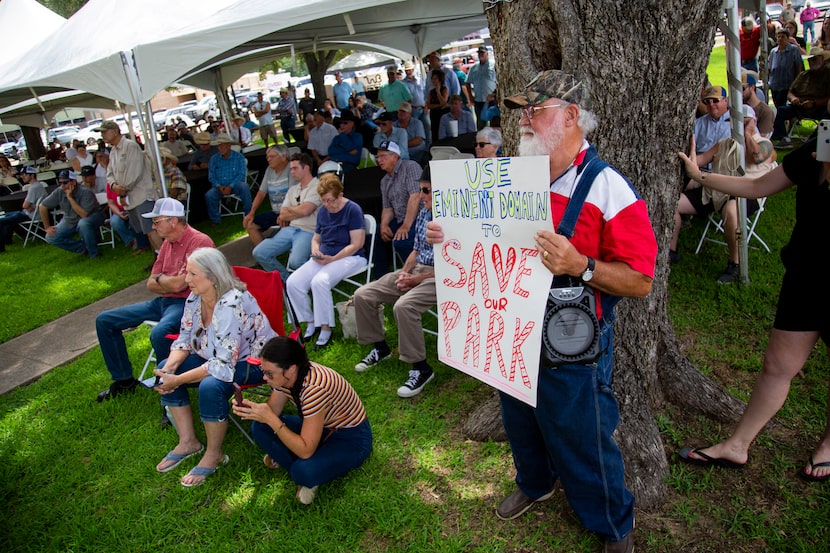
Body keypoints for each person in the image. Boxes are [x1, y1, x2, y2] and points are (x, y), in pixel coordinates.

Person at [426, 70, 657, 552]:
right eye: (523, 112)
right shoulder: (509, 177)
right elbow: (482, 239)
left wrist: (583, 265)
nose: (525, 121)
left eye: (537, 110)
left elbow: (641, 279)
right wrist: (449, 237)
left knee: (581, 432)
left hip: (571, 333)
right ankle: (535, 483)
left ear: (572, 116)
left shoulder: (606, 186)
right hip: (510, 326)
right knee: (518, 416)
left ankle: (613, 524)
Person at [676, 132, 830, 484]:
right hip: (806, 276)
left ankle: (828, 446)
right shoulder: (816, 149)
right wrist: (700, 176)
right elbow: (758, 186)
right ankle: (737, 444)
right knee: (777, 364)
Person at [152, 247, 276, 487]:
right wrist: (170, 368)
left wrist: (177, 380)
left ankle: (214, 454)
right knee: (167, 367)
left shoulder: (231, 303)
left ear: (213, 276)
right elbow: (185, 338)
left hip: (254, 361)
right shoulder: (195, 297)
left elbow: (223, 364)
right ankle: (188, 441)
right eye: (187, 273)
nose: (186, 280)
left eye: (193, 274)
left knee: (210, 385)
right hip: (213, 355)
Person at [95, 198, 214, 403]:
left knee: (160, 333)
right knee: (105, 320)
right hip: (163, 302)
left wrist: (164, 280)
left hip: (188, 304)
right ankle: (124, 381)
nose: (152, 226)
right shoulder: (167, 243)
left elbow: (180, 286)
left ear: (173, 221)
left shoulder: (199, 242)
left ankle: (169, 392)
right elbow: (151, 283)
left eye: (157, 221)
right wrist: (168, 280)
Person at [232, 336, 372, 504]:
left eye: (269, 373)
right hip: (321, 428)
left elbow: (305, 450)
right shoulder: (288, 376)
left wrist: (270, 418)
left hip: (351, 438)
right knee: (260, 426)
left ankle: (305, 471)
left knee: (302, 471)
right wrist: (251, 410)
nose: (265, 378)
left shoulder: (314, 389)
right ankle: (310, 464)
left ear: (290, 369)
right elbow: (273, 410)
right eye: (263, 371)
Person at [353, 165, 436, 398]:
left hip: (443, 276)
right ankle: (380, 348)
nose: (421, 196)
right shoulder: (424, 212)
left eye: (426, 191)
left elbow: (454, 268)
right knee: (363, 294)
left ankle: (421, 368)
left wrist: (415, 280)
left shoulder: (455, 219)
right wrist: (404, 274)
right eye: (421, 190)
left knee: (404, 306)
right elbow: (416, 251)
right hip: (419, 269)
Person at [671, 104, 777, 282]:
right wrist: (691, 152)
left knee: (731, 210)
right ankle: (671, 251)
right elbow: (700, 161)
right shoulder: (724, 143)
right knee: (673, 203)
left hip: (745, 193)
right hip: (716, 191)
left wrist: (748, 134)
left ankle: (734, 262)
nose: (735, 127)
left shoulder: (764, 144)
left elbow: (757, 157)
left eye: (742, 123)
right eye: (733, 123)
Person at [285, 173, 367, 349]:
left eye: (330, 200)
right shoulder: (323, 211)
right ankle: (309, 321)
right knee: (293, 282)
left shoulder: (352, 209)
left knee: (319, 281)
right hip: (325, 256)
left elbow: (357, 243)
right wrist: (315, 249)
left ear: (340, 194)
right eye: (324, 201)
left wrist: (332, 259)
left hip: (351, 257)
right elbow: (316, 238)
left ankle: (325, 327)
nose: (327, 205)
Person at [252, 153, 321, 277]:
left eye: (295, 168)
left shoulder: (318, 187)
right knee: (259, 252)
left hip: (309, 231)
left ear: (306, 168)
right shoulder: (292, 190)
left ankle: (309, 281)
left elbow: (305, 210)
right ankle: (286, 280)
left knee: (296, 262)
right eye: (290, 169)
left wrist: (292, 210)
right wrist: (298, 210)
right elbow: (282, 214)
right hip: (290, 229)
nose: (292, 172)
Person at [99, 119, 161, 253]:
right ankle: (159, 259)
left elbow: (134, 173)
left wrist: (122, 191)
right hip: (130, 198)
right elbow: (109, 174)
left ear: (115, 132)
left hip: (141, 195)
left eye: (105, 132)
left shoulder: (130, 146)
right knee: (145, 231)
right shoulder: (113, 151)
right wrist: (114, 186)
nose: (102, 135)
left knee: (151, 229)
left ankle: (167, 261)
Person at [375, 139, 421, 278]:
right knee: (377, 234)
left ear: (395, 156)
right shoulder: (384, 181)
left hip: (419, 218)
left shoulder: (410, 167)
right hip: (400, 218)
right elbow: (388, 207)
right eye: (378, 157)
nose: (379, 160)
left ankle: (416, 274)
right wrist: (384, 225)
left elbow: (415, 197)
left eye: (383, 156)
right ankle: (380, 277)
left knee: (402, 242)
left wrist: (406, 225)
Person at [39, 170, 106, 259]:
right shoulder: (59, 191)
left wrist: (70, 198)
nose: (62, 186)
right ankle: (84, 248)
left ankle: (94, 254)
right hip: (70, 220)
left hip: (93, 216)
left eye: (65, 183)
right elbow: (42, 206)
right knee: (50, 237)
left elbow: (84, 214)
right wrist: (47, 227)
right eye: (61, 183)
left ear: (73, 182)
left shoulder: (85, 192)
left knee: (83, 223)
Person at [771, 47, 830, 146]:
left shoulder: (827, 74)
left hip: (819, 107)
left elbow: (829, 98)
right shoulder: (804, 75)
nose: (811, 62)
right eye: (810, 59)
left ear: (822, 59)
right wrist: (793, 98)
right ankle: (783, 138)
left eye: (814, 59)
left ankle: (815, 142)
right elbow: (790, 91)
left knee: (827, 117)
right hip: (800, 107)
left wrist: (814, 103)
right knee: (778, 111)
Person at [243, 145, 296, 246]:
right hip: (276, 212)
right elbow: (261, 193)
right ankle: (264, 253)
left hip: (291, 211)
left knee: (286, 224)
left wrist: (284, 214)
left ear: (283, 157)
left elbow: (292, 194)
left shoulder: (292, 169)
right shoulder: (269, 170)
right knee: (251, 224)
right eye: (267, 157)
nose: (268, 159)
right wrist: (251, 212)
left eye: (272, 156)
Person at [205, 133, 253, 225]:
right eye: (219, 146)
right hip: (219, 187)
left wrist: (230, 186)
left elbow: (241, 174)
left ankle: (249, 214)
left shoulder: (239, 157)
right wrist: (219, 186)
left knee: (244, 187)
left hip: (235, 185)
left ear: (229, 145)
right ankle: (215, 220)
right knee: (209, 195)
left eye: (222, 145)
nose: (220, 148)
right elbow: (211, 176)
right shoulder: (214, 159)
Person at [0, 166, 46, 252]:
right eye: (21, 175)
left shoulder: (34, 188)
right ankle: (7, 240)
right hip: (30, 212)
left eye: (24, 174)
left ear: (32, 175)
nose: (22, 177)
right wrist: (29, 206)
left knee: (2, 221)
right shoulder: (38, 185)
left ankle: (1, 248)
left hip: (30, 215)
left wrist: (29, 206)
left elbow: (25, 205)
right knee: (7, 215)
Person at [769, 28, 804, 108]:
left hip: (788, 85)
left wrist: (796, 82)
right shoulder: (773, 52)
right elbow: (770, 67)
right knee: (778, 107)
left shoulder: (793, 50)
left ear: (787, 38)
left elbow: (799, 65)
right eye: (779, 37)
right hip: (775, 85)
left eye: (783, 37)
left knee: (786, 107)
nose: (780, 39)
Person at [465, 45, 498, 130]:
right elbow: (467, 82)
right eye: (479, 53)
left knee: (494, 124)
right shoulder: (474, 68)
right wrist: (470, 97)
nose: (481, 55)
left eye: (482, 53)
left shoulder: (493, 65)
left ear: (487, 53)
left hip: (492, 101)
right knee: (481, 124)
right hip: (479, 101)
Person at [694, 85, 732, 156]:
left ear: (725, 101)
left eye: (715, 101)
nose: (711, 104)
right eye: (707, 102)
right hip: (701, 165)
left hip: (725, 164)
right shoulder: (698, 123)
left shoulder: (736, 122)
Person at [742, 71, 773, 137]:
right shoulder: (736, 107)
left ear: (752, 87)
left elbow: (762, 138)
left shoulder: (765, 111)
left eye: (742, 88)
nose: (739, 92)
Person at [426, 69, 450, 143]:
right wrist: (439, 105)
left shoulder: (445, 89)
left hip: (443, 113)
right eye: (432, 79)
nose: (433, 81)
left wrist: (438, 92)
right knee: (435, 132)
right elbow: (429, 105)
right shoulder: (431, 91)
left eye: (435, 79)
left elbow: (444, 101)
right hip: (434, 114)